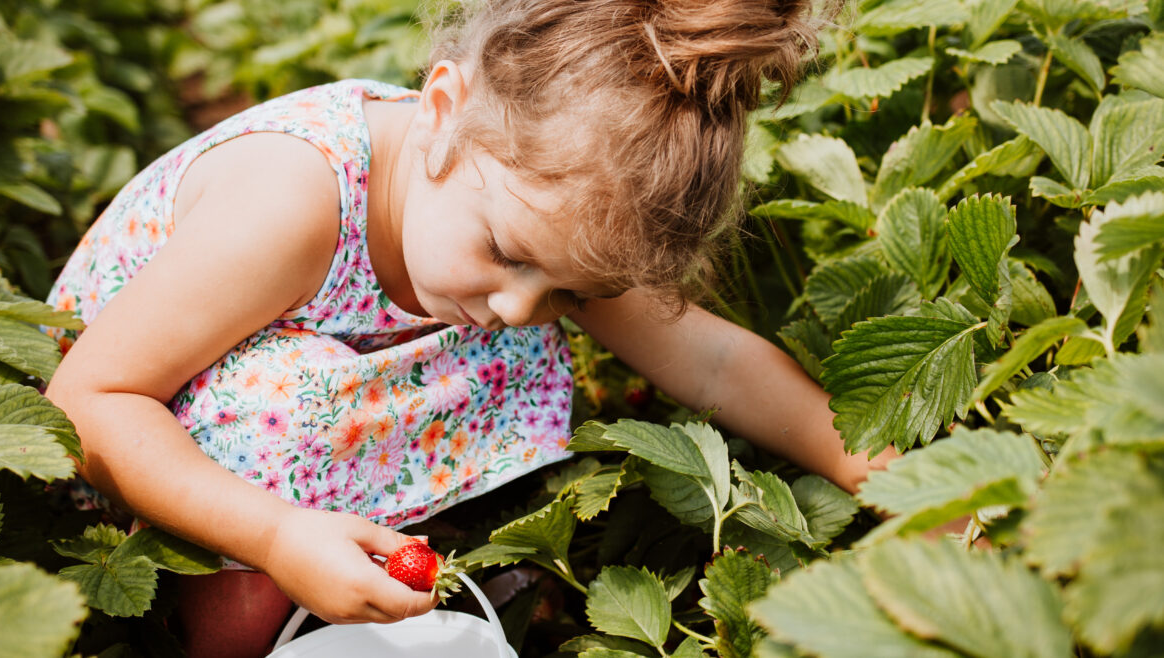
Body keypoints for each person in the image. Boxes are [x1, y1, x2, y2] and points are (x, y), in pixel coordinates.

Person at [44, 0, 885, 656]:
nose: (521, 307)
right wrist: (277, 537)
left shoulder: (544, 207)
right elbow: (86, 402)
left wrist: (887, 474)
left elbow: (713, 363)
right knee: (277, 417)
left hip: (338, 403)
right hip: (149, 448)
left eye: (570, 293)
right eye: (506, 254)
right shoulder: (289, 203)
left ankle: (394, 549)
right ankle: (227, 633)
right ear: (444, 109)